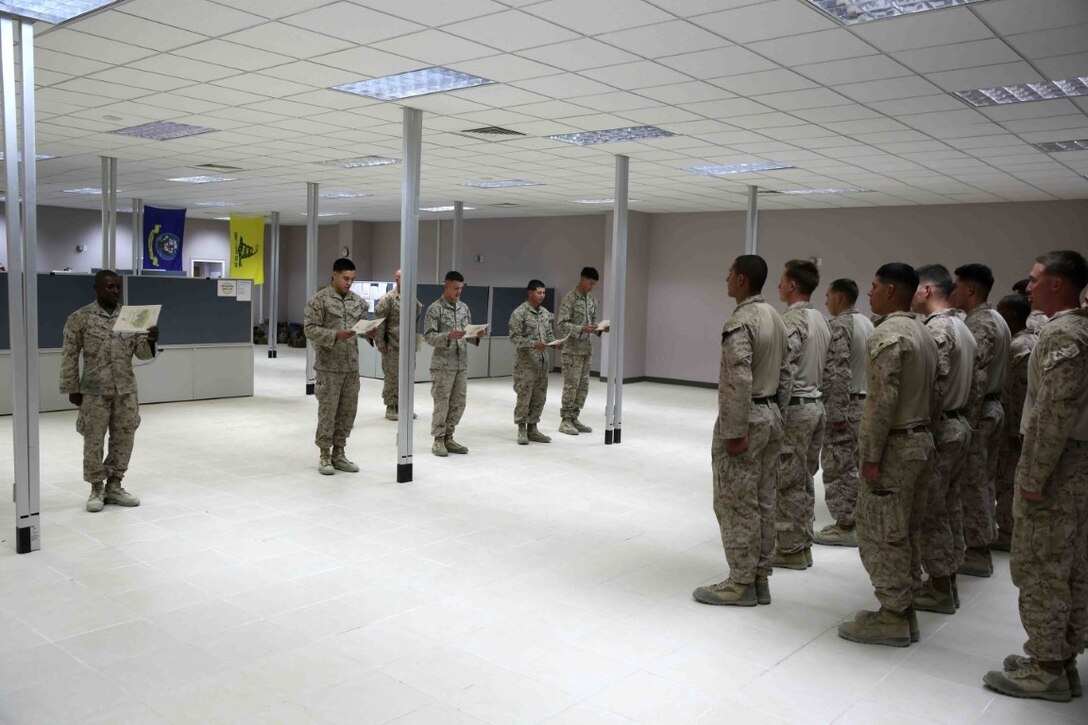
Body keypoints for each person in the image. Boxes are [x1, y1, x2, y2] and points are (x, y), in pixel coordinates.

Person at [984, 250, 1088, 703]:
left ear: (1059, 285)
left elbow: (1052, 413)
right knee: (1069, 565)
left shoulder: (1063, 333)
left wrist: (1034, 475)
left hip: (1057, 464)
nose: (1028, 288)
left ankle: (1047, 666)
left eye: (1035, 279)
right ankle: (1061, 658)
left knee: (1041, 566)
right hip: (1072, 462)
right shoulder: (1081, 328)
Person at [838, 263, 936, 648]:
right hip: (920, 439)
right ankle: (904, 609)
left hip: (894, 445)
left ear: (892, 290)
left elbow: (881, 401)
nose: (869, 292)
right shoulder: (922, 332)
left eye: (875, 286)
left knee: (882, 534)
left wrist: (870, 455)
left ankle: (892, 615)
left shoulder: (889, 334)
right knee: (905, 531)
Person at [692, 255, 788, 608]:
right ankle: (760, 578)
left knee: (736, 504)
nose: (726, 279)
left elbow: (739, 377)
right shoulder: (776, 318)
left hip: (746, 419)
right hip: (772, 414)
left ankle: (740, 582)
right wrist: (779, 415)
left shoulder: (742, 320)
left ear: (743, 280)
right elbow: (787, 372)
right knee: (763, 501)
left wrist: (734, 430)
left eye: (730, 274)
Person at [60, 269, 157, 512]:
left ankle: (115, 485)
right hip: (94, 390)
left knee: (124, 438)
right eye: (109, 287)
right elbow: (70, 355)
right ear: (96, 287)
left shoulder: (131, 318)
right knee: (93, 439)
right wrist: (72, 388)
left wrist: (152, 340)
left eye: (117, 287)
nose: (114, 291)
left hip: (125, 390)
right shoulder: (80, 318)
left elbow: (142, 353)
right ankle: (96, 487)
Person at [911, 264, 976, 615]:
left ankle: (938, 587)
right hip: (960, 424)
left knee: (931, 512)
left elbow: (933, 388)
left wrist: (921, 433)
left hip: (940, 431)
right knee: (948, 506)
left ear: (927, 290)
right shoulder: (962, 326)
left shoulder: (937, 330)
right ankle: (946, 578)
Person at [951, 263, 1011, 577]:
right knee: (982, 482)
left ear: (970, 289)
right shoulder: (994, 318)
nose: (954, 291)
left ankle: (976, 550)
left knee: (973, 484)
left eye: (958, 286)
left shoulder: (982, 323)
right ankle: (979, 545)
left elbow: (976, 376)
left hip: (980, 412)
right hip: (992, 408)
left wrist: (967, 423)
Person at [773, 260, 830, 570]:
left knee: (787, 480)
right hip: (815, 405)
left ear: (793, 285)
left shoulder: (793, 320)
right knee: (804, 479)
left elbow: (784, 369)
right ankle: (803, 543)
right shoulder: (820, 318)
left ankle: (791, 548)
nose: (779, 285)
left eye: (782, 281)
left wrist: (774, 415)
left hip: (795, 407)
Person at [816, 278, 874, 548]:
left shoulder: (840, 326)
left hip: (846, 404)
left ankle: (846, 523)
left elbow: (838, 372)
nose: (826, 301)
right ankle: (857, 518)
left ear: (839, 298)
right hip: (863, 401)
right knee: (853, 464)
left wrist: (836, 413)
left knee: (839, 466)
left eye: (828, 296)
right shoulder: (867, 323)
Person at [304, 257, 370, 476]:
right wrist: (335, 334)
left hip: (351, 367)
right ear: (334, 274)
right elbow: (310, 329)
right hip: (328, 367)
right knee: (328, 412)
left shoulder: (359, 303)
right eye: (345, 278)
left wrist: (371, 333)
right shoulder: (319, 301)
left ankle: (339, 453)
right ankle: (324, 454)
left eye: (352, 279)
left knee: (347, 412)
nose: (349, 283)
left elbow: (361, 329)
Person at [992, 294, 1038, 552]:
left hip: (1015, 423)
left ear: (1011, 316)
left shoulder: (1019, 346)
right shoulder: (1028, 340)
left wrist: (1014, 431)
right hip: (1016, 422)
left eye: (1001, 311)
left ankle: (1008, 530)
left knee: (1008, 478)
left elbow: (1019, 392)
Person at [424, 271, 485, 457]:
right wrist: (447, 336)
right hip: (443, 364)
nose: (459, 292)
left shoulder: (464, 308)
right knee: (442, 403)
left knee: (458, 403)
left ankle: (449, 436)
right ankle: (438, 440)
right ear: (446, 286)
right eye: (455, 288)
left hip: (461, 363)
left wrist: (477, 335)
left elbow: (467, 333)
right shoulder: (435, 309)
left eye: (461, 288)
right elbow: (428, 336)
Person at [557, 267, 608, 435]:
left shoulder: (592, 301)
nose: (592, 287)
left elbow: (592, 325)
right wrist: (581, 328)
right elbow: (562, 324)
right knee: (571, 386)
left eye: (594, 285)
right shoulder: (569, 299)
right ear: (582, 279)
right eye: (590, 283)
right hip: (572, 351)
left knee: (583, 387)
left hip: (586, 350)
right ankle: (565, 421)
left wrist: (599, 328)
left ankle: (574, 418)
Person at [509, 279, 560, 445]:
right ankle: (522, 429)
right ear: (530, 293)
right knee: (525, 396)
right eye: (539, 293)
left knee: (539, 397)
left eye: (544, 293)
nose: (542, 296)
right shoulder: (519, 313)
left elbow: (549, 335)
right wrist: (533, 344)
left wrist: (556, 343)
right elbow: (514, 338)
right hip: (526, 365)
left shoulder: (545, 313)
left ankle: (533, 427)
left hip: (542, 364)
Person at [374, 269, 422, 421]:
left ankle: (405, 406)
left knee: (407, 377)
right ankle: (391, 407)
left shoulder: (413, 300)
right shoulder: (388, 299)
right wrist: (380, 343)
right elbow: (379, 323)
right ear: (397, 280)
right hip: (392, 346)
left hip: (408, 346)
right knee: (392, 377)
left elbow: (416, 320)